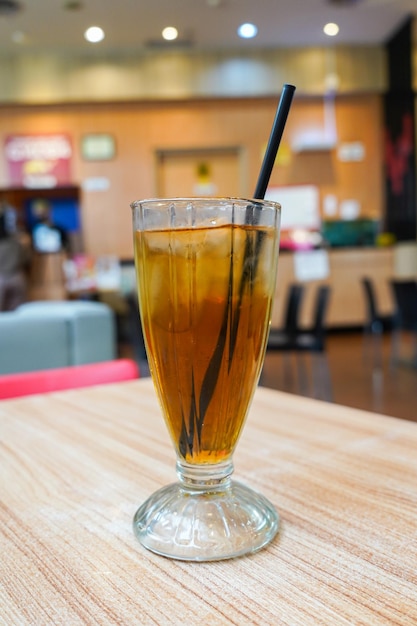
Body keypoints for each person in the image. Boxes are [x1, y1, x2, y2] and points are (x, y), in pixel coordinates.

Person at [0, 210, 29, 311]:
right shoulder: (17, 243)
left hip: (2, 278)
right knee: (17, 313)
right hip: (17, 277)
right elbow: (26, 259)